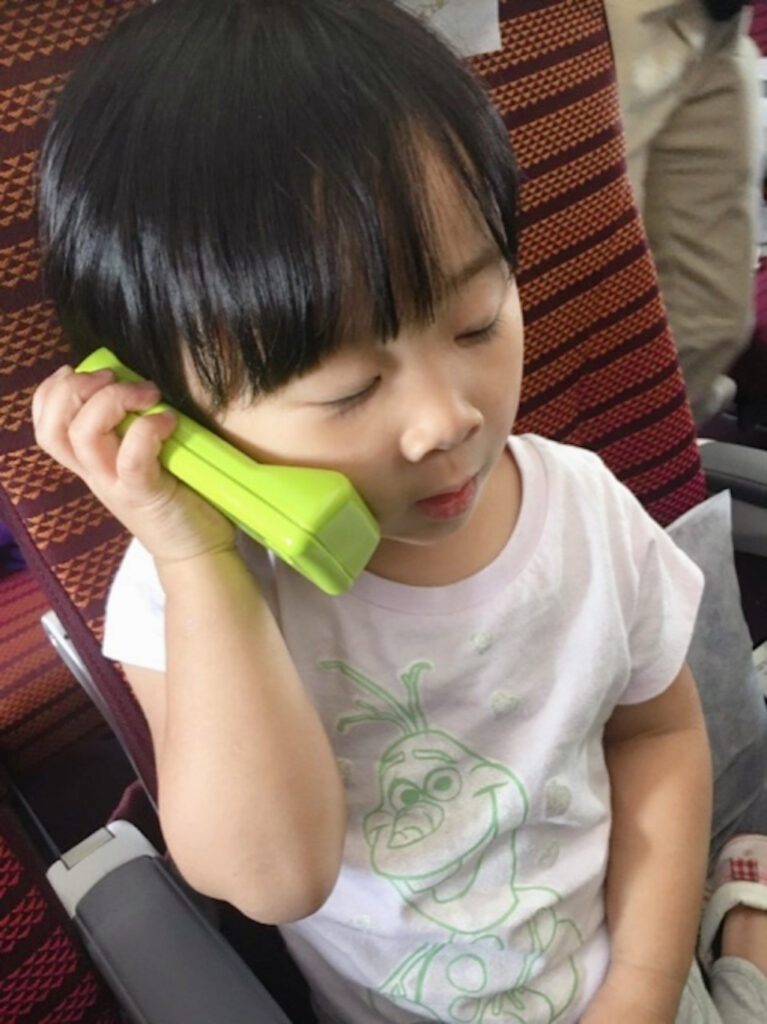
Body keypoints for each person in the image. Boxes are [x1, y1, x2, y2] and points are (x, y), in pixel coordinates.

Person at [31, 1, 767, 1021]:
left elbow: (655, 735)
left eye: (475, 321)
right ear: (169, 403)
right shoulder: (186, 588)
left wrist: (641, 987)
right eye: (345, 390)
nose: (445, 418)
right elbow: (273, 878)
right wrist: (202, 560)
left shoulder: (580, 510)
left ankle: (734, 938)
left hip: (628, 974)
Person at [604, 0, 762, 425]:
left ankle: (649, 460)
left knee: (710, 321)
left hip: (715, 19)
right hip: (611, 19)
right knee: (597, 297)